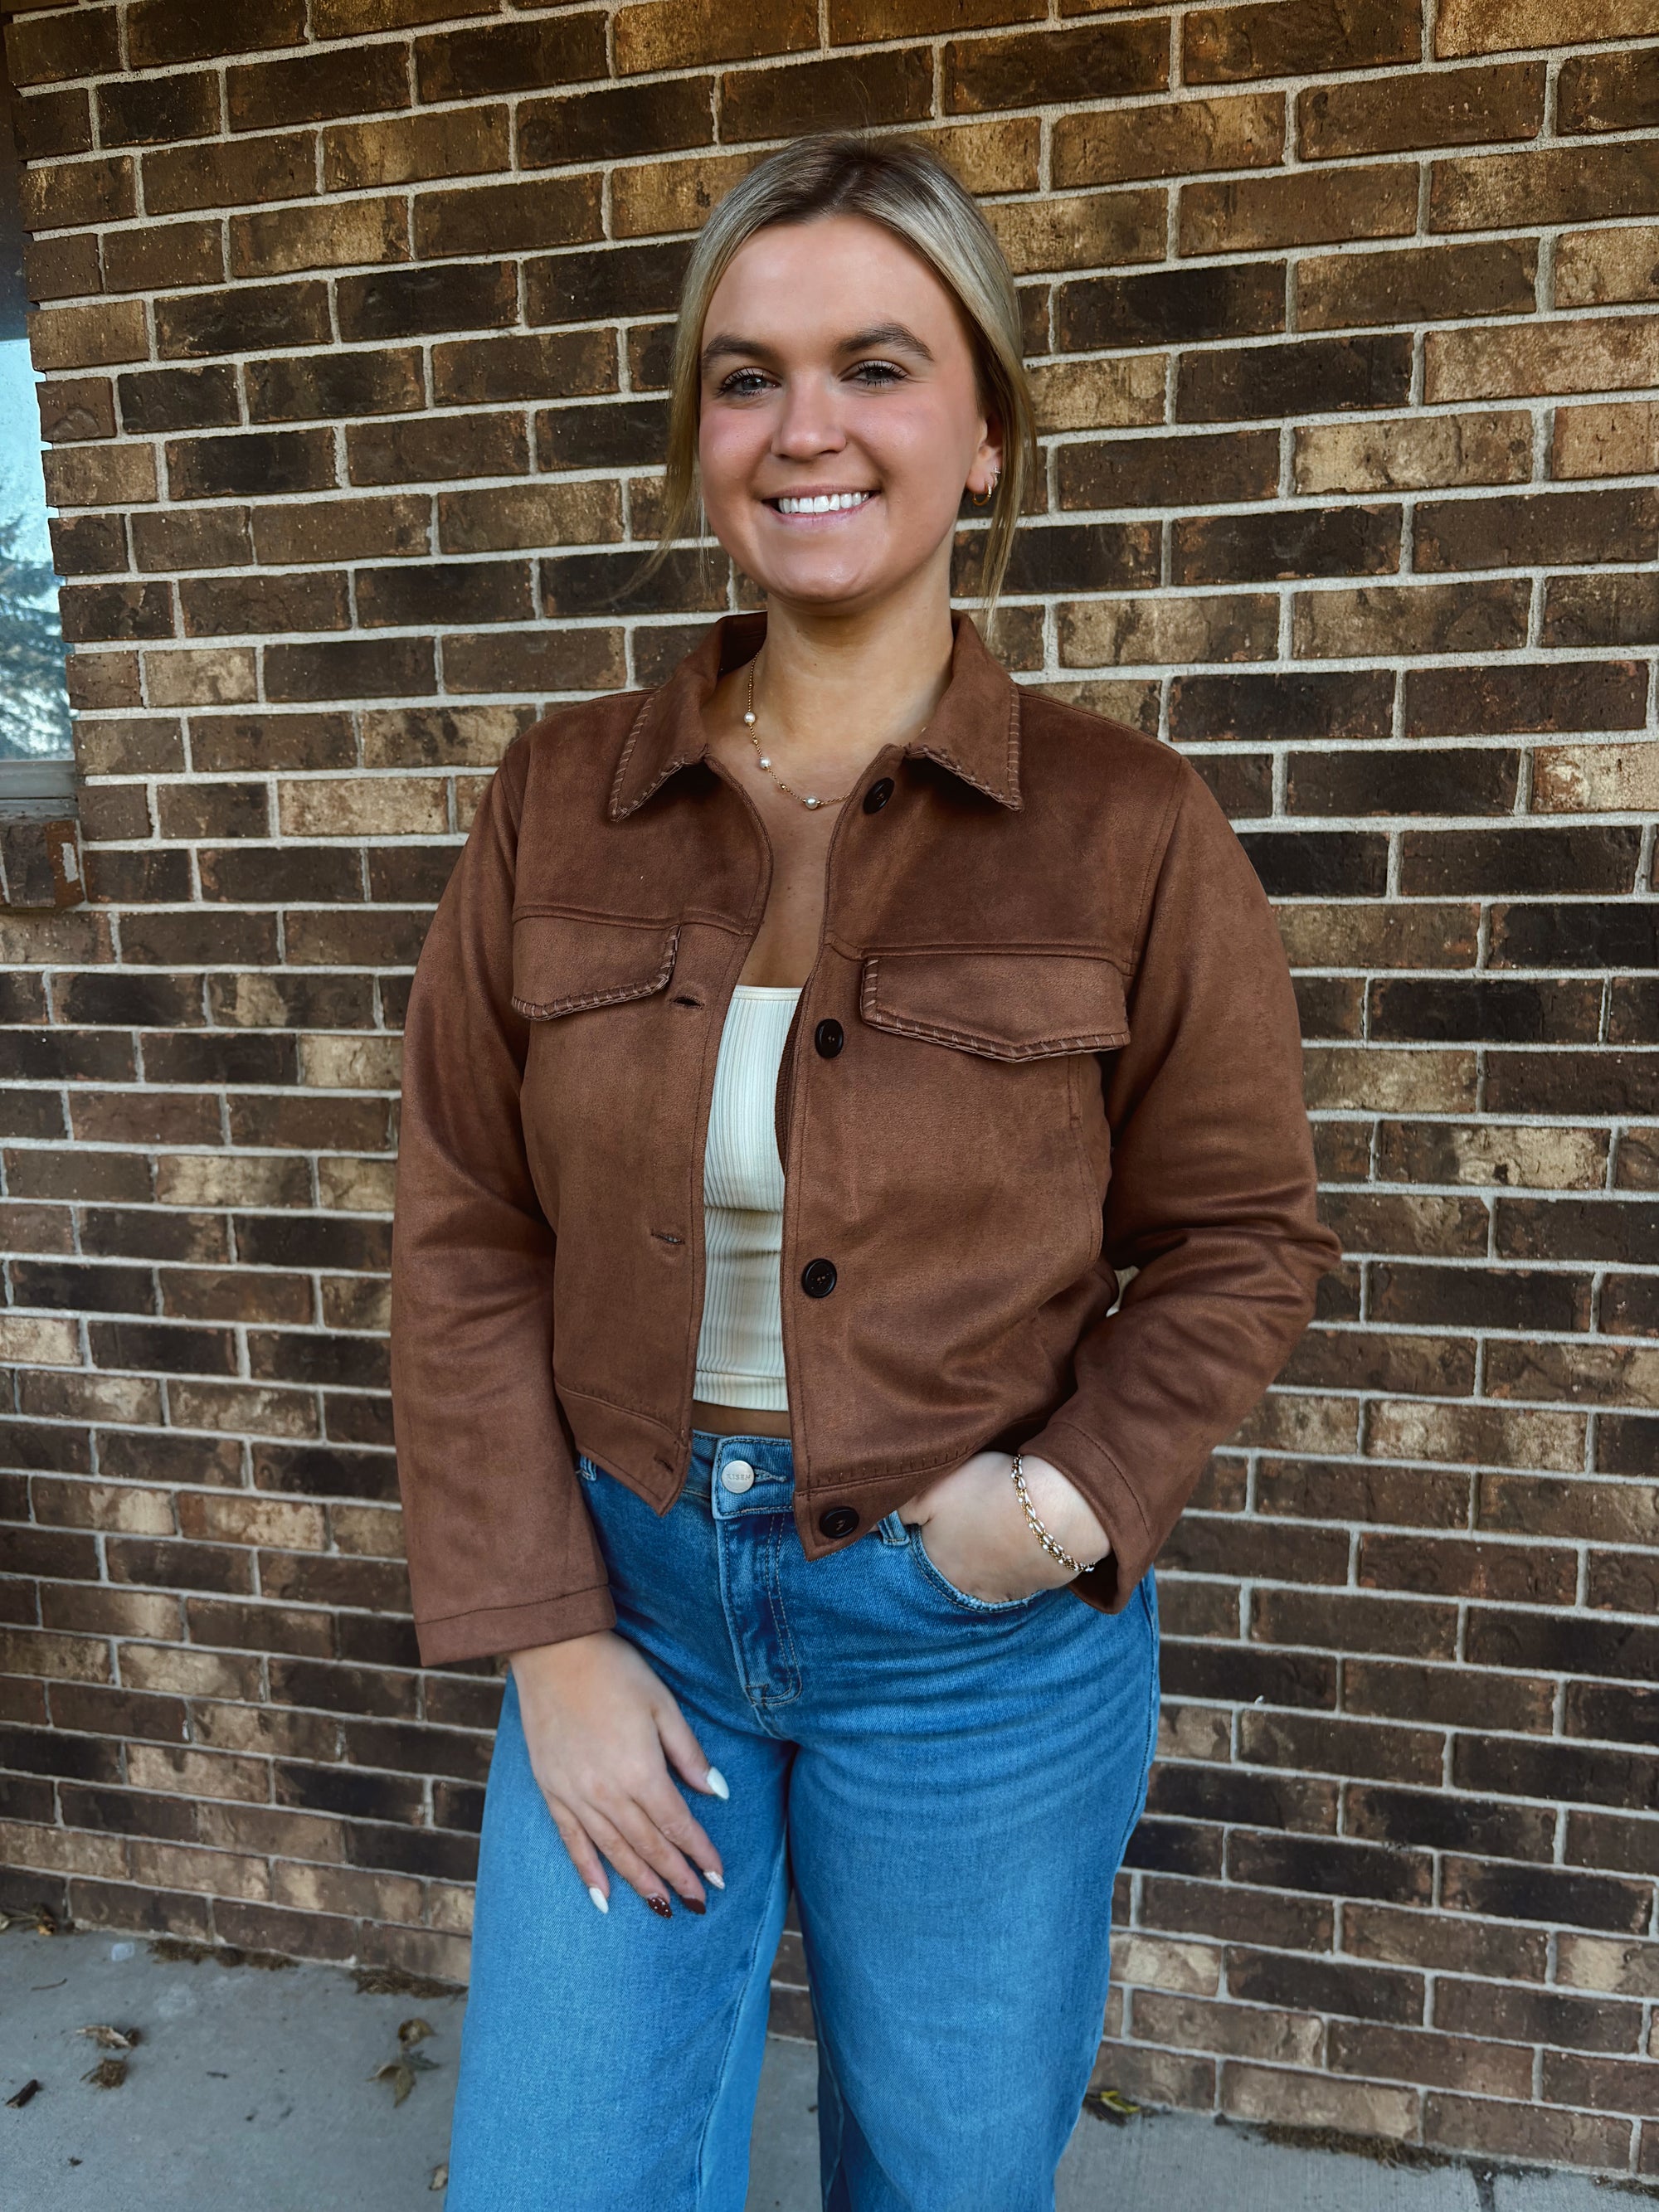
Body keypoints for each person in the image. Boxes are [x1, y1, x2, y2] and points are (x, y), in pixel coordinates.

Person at [389, 131, 1341, 2212]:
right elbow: (469, 1221)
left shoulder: (1130, 829)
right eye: (745, 376)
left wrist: (1057, 1504)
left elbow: (1240, 1233)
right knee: (560, 2176)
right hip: (632, 1602)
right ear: (695, 435)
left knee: (939, 2177)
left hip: (974, 1635)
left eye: (874, 365)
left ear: (983, 433)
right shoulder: (559, 804)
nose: (802, 427)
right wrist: (548, 1634)